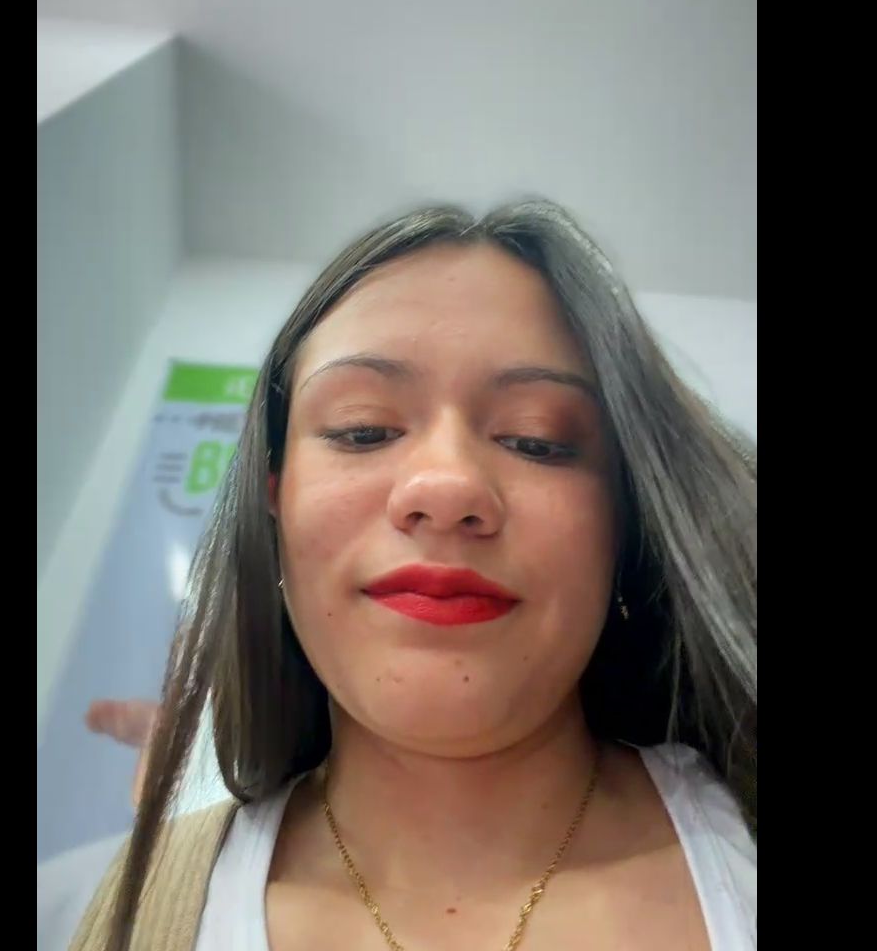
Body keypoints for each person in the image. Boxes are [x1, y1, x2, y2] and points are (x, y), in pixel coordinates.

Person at [42, 200, 757, 951]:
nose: (446, 488)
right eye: (363, 430)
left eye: (536, 441)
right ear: (274, 499)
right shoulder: (82, 915)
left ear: (627, 519)